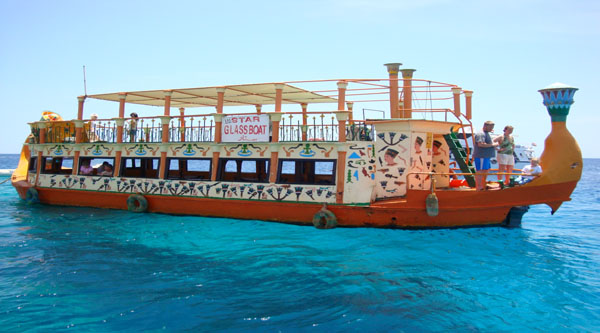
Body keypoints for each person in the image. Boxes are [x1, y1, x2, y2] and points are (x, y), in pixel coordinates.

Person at [473, 120, 498, 190]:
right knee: (480, 170)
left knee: (486, 169)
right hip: (481, 156)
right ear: (485, 126)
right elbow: (480, 144)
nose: (491, 129)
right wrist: (492, 145)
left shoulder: (486, 133)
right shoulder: (481, 134)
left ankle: (483, 184)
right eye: (490, 127)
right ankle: (479, 186)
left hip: (486, 157)